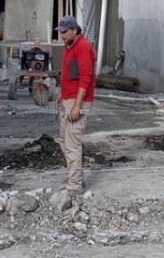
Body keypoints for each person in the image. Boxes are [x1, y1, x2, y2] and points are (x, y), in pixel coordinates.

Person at [54, 15, 96, 197]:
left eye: (64, 32)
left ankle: (74, 186)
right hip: (67, 98)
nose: (61, 35)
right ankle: (76, 177)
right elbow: (68, 73)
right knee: (64, 140)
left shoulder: (84, 47)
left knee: (72, 143)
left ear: (74, 30)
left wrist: (77, 106)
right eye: (60, 32)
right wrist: (61, 94)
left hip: (78, 101)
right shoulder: (68, 46)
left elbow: (85, 79)